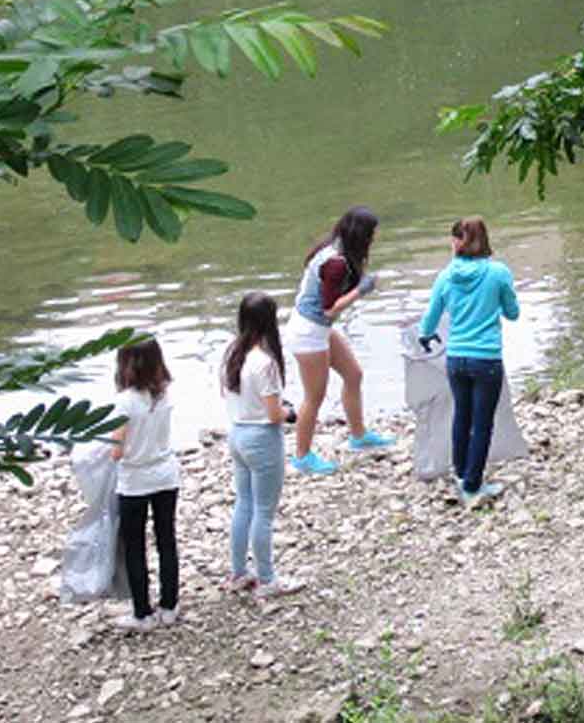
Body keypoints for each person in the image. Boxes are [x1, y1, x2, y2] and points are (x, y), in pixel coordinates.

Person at [418, 217, 520, 507]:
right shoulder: (498, 273)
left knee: (461, 416)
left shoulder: (445, 276)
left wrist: (426, 336)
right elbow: (512, 313)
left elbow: (430, 318)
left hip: (456, 359)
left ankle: (462, 473)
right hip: (485, 359)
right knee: (482, 423)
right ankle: (474, 486)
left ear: (456, 243)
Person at [285, 206, 393, 475]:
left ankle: (358, 435)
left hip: (319, 328)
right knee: (314, 397)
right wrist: (361, 290)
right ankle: (302, 455)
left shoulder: (337, 248)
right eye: (372, 234)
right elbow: (329, 309)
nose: (375, 238)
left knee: (354, 374)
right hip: (309, 331)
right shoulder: (335, 262)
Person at [221, 292, 304, 597]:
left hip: (238, 433)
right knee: (264, 511)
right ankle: (267, 579)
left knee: (243, 504)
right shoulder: (265, 363)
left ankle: (239, 572)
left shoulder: (232, 353)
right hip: (261, 438)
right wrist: (291, 413)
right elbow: (273, 413)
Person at [108, 338, 181, 632]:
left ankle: (143, 613)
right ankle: (169, 606)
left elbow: (116, 450)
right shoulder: (164, 395)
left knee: (135, 546)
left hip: (134, 481)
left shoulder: (124, 402)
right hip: (165, 475)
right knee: (166, 540)